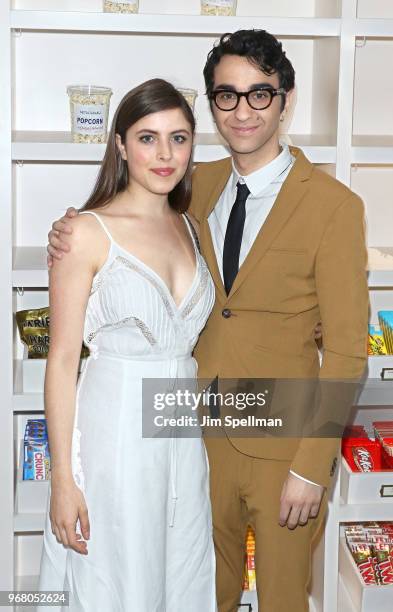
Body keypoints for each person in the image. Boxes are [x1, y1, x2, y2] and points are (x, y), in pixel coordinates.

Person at [47, 30, 369, 612]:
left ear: (286, 98)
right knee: (192, 593)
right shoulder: (195, 185)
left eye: (260, 94)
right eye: (227, 95)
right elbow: (127, 232)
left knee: (281, 602)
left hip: (283, 450)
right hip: (191, 439)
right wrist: (72, 227)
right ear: (212, 104)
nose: (243, 110)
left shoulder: (334, 207)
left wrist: (313, 467)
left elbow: (347, 352)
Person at [38, 78, 217, 612]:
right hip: (114, 437)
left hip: (182, 439)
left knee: (180, 572)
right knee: (115, 578)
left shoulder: (189, 225)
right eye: (147, 137)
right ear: (119, 144)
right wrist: (63, 481)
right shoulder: (86, 233)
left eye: (179, 138)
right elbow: (63, 359)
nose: (165, 154)